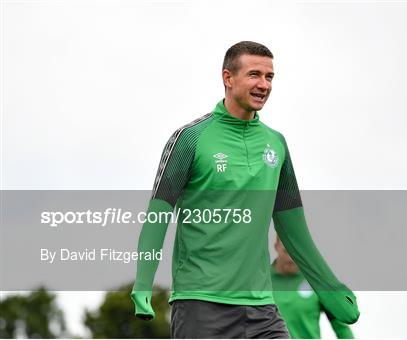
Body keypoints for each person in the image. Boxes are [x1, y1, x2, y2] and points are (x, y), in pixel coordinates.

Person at [130, 41, 359, 338]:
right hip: (201, 304)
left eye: (269, 77)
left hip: (261, 308)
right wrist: (143, 281)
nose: (263, 84)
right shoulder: (190, 139)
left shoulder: (276, 144)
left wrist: (329, 285)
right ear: (228, 78)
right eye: (254, 75)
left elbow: (294, 231)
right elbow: (158, 213)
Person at [272, 237, 355, 339]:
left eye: (294, 253)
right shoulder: (259, 281)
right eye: (286, 252)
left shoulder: (316, 281)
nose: (290, 259)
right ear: (276, 246)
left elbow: (341, 328)